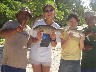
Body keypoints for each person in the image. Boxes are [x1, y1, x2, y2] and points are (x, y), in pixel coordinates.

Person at [29, 4, 60, 72]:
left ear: (54, 12)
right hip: (35, 55)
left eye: (51, 10)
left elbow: (54, 45)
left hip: (47, 56)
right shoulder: (38, 23)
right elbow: (30, 40)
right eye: (46, 11)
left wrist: (53, 39)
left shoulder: (56, 27)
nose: (49, 12)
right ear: (44, 14)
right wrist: (38, 39)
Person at [0, 7, 31, 72]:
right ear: (18, 15)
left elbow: (28, 45)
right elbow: (1, 34)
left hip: (22, 66)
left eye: (26, 14)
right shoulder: (10, 23)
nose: (24, 16)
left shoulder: (29, 30)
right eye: (22, 14)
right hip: (8, 64)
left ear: (29, 17)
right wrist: (16, 30)